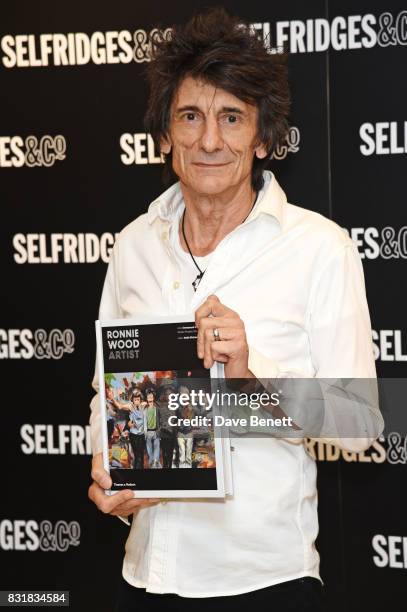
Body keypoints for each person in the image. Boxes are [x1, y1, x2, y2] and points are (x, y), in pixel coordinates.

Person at [88, 8, 383, 612]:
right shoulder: (133, 245)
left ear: (264, 137)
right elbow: (107, 392)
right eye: (190, 117)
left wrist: (253, 380)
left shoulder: (318, 247)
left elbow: (361, 425)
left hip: (265, 583)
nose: (210, 141)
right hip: (145, 575)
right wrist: (110, 470)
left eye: (232, 118)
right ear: (165, 136)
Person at [127, 391, 147, 469]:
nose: (136, 401)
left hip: (141, 434)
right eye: (135, 400)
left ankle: (140, 467)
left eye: (138, 399)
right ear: (132, 400)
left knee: (141, 454)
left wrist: (142, 403)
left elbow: (149, 402)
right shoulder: (131, 407)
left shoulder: (143, 406)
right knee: (136, 454)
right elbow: (120, 406)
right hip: (133, 434)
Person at [144, 389, 161, 468]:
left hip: (156, 431)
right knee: (149, 449)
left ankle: (155, 462)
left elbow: (160, 418)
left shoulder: (157, 408)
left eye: (151, 396)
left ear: (153, 398)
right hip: (148, 431)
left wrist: (159, 429)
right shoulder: (144, 409)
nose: (150, 398)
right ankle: (151, 463)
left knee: (157, 447)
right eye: (148, 396)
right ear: (146, 398)